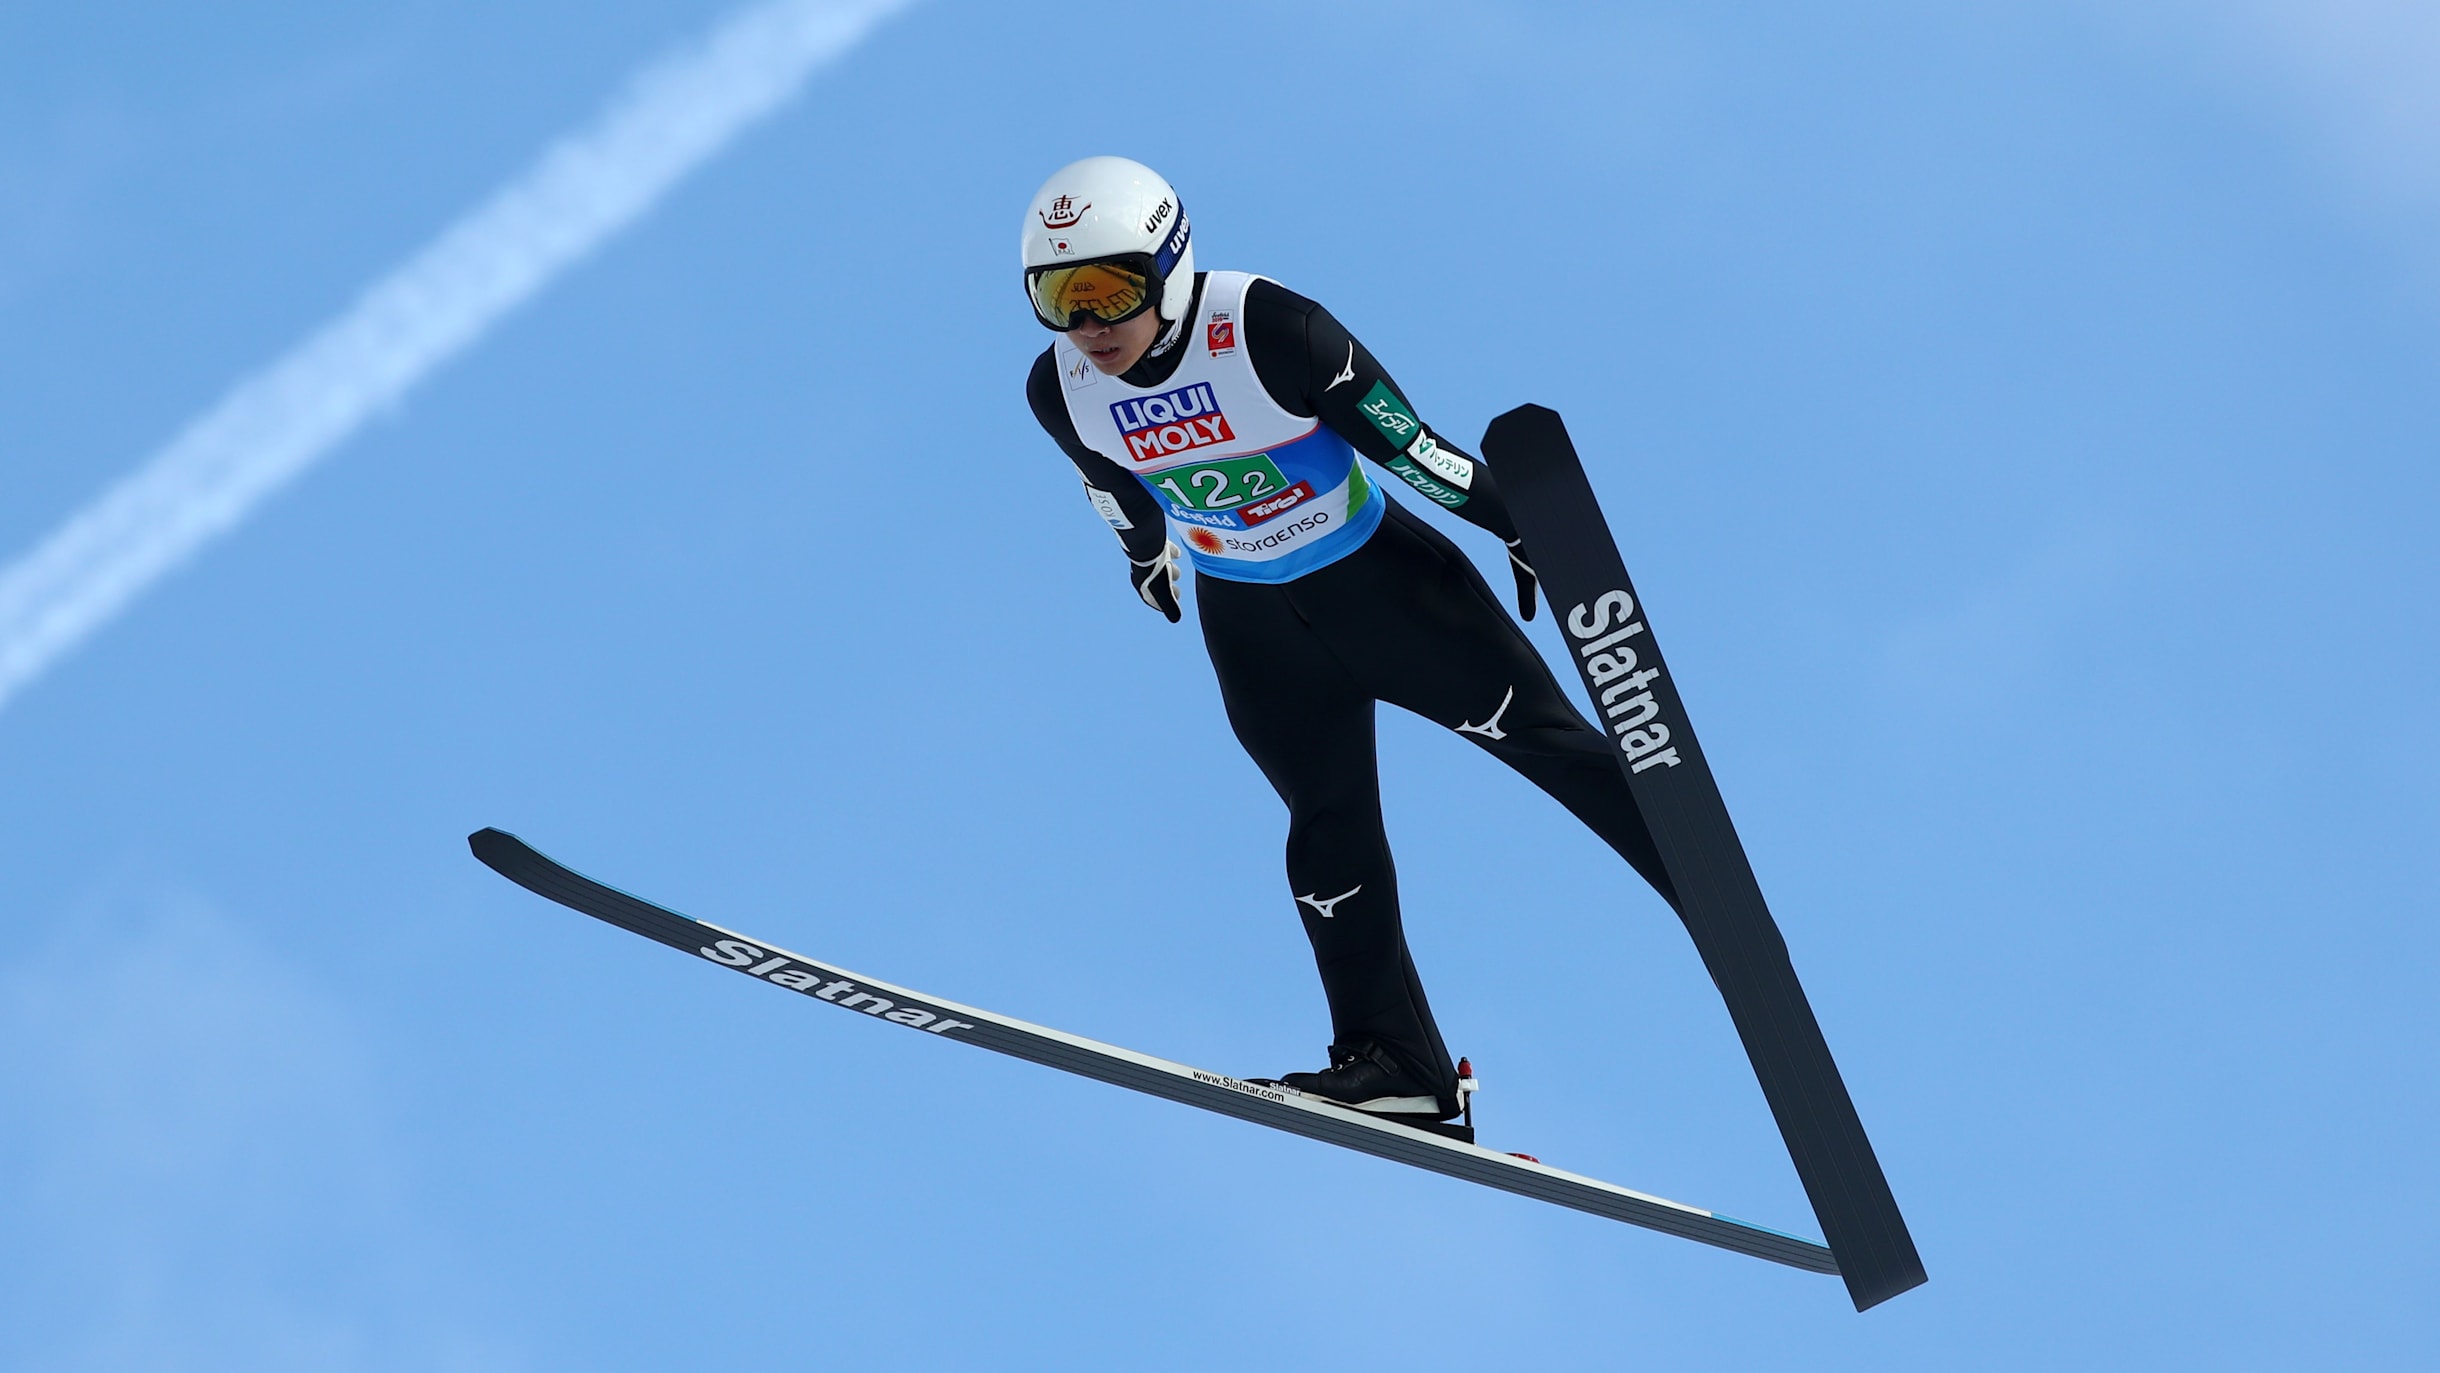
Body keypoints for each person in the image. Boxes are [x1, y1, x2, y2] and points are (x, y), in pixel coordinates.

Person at [1022, 156, 1678, 1127]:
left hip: (1383, 589)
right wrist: (1146, 556)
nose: (1090, 325)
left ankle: (1696, 876)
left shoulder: (1269, 330)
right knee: (1324, 835)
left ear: (1169, 262)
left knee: (1544, 743)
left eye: (1110, 289)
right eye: (1058, 299)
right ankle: (1395, 1061)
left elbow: (1409, 445)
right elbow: (1112, 483)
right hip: (1252, 628)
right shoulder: (1061, 388)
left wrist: (1511, 517)